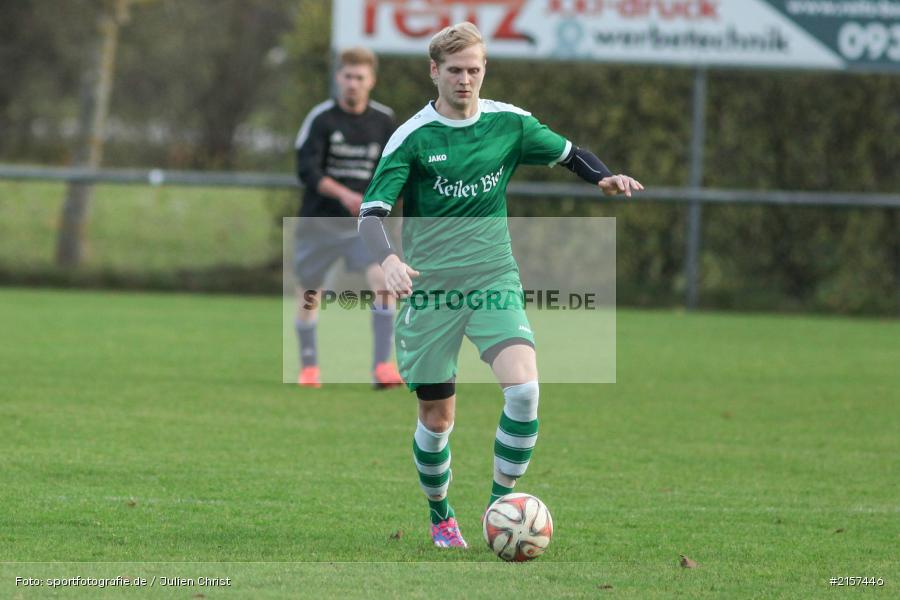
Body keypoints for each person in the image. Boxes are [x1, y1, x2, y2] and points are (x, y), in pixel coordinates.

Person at [358, 22, 643, 548]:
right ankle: (442, 515)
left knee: (525, 391)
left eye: (474, 70)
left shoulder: (509, 124)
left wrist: (603, 176)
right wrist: (390, 260)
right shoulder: (413, 138)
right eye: (455, 70)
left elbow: (568, 152)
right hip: (431, 290)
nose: (465, 80)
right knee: (438, 418)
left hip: (493, 278)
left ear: (484, 70)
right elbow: (370, 214)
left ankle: (499, 507)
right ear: (434, 72)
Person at [293, 47, 402, 389]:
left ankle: (383, 367)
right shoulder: (321, 119)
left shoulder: (384, 121)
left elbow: (397, 168)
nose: (352, 84)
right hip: (320, 221)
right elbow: (306, 169)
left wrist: (376, 202)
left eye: (360, 77)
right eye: (347, 76)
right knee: (310, 293)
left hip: (363, 225)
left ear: (371, 81)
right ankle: (309, 367)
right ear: (338, 78)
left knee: (384, 282)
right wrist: (343, 194)